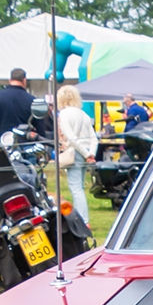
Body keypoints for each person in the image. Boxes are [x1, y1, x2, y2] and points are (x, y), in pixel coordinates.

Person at [56, 84, 98, 225]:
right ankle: (83, 219)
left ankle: (82, 220)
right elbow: (94, 138)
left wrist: (86, 154)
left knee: (76, 188)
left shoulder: (64, 114)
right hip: (86, 150)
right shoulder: (83, 114)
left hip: (76, 152)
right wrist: (91, 152)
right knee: (79, 186)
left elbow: (71, 138)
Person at [0, 67, 44, 139]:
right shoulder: (32, 100)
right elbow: (40, 128)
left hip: (3, 144)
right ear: (24, 80)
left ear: (10, 80)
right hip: (25, 145)